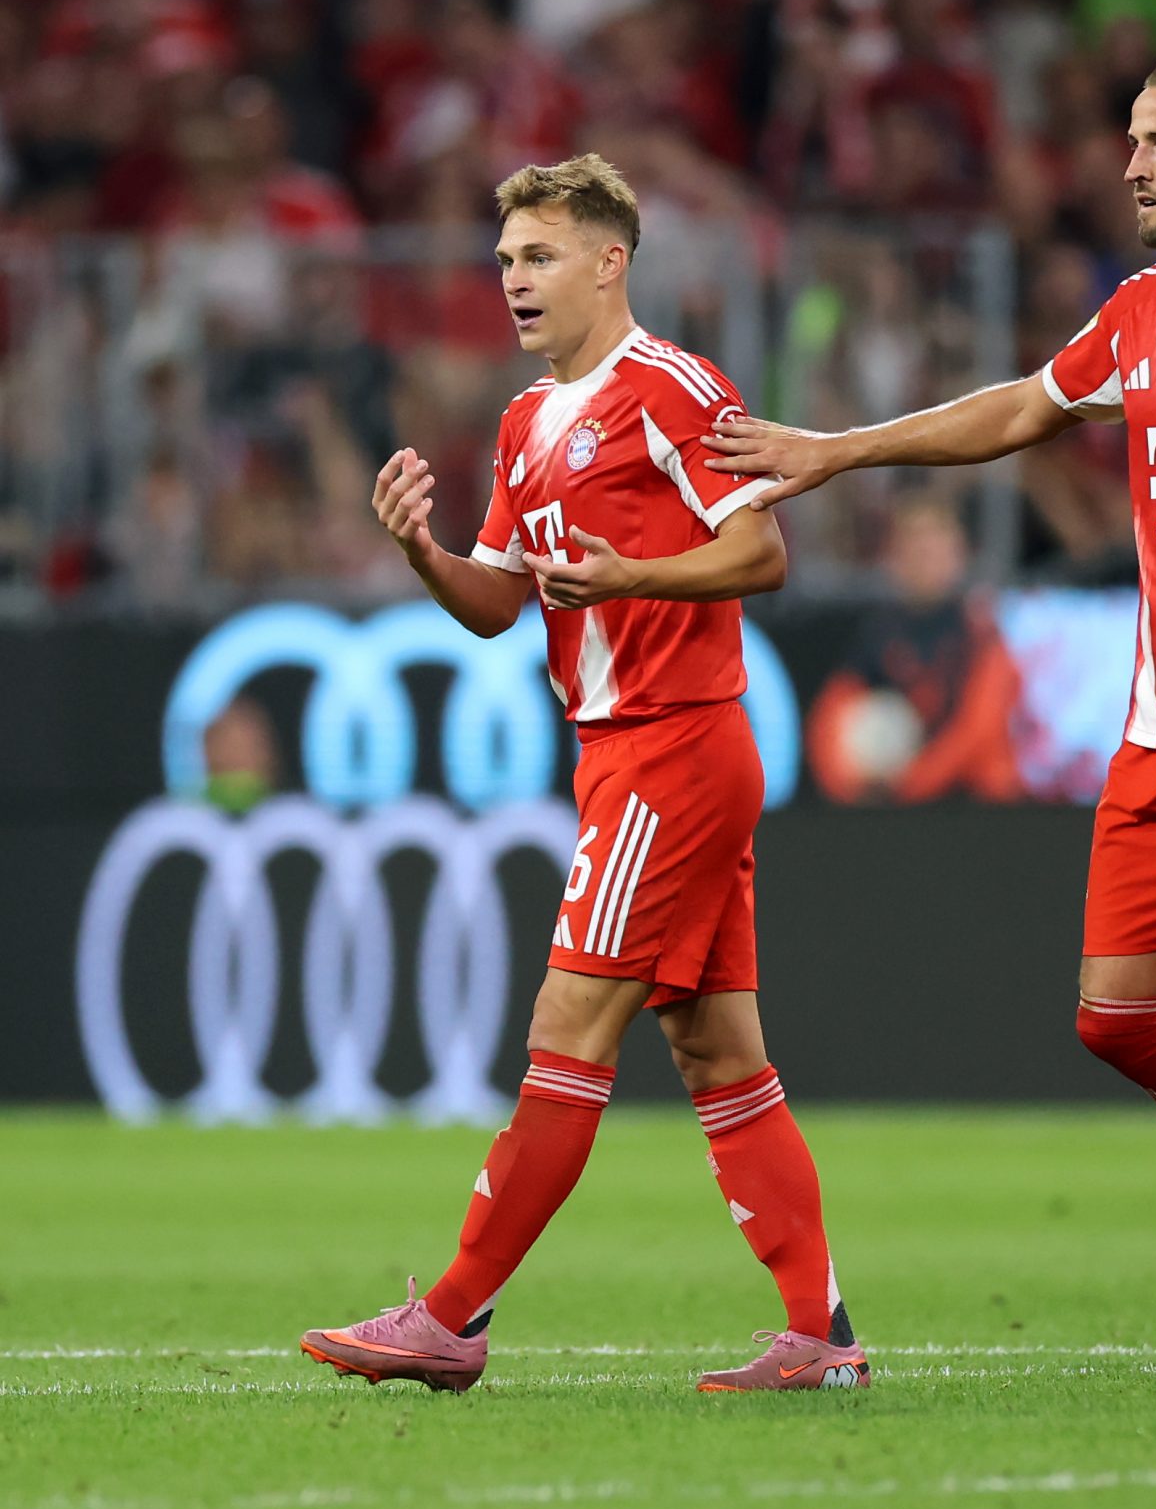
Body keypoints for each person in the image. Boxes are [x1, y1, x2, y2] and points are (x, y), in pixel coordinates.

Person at [700, 50, 1156, 1393]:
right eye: (1130, 136)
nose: (1128, 163)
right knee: (1119, 1012)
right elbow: (1019, 409)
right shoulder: (1142, 308)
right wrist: (837, 449)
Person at [299, 154, 869, 1394]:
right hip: (618, 749)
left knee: (568, 1028)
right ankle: (820, 1332)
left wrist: (634, 577)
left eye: (540, 255)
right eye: (505, 259)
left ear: (611, 261)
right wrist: (420, 549)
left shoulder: (671, 387)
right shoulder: (523, 419)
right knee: (718, 1051)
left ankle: (449, 1317)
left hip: (674, 741)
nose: (515, 279)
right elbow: (500, 605)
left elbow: (760, 552)